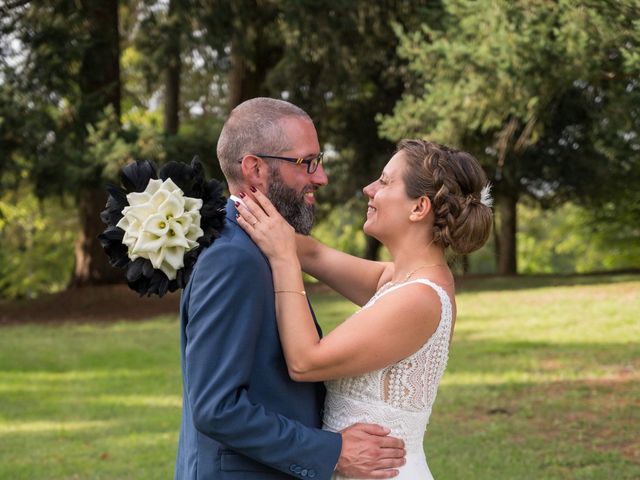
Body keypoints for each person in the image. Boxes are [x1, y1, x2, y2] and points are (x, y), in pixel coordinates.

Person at [175, 97, 406, 480]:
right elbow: (216, 407)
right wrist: (332, 452)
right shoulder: (233, 257)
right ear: (255, 169)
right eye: (307, 163)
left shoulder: (261, 244)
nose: (321, 177)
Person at [235, 139, 493, 479]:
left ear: (419, 208)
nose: (368, 189)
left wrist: (283, 259)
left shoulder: (419, 298)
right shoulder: (398, 279)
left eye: (385, 182)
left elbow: (305, 361)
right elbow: (314, 254)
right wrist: (224, 214)